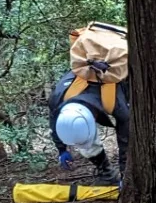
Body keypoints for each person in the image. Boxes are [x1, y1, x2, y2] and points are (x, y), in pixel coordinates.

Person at [49, 22, 129, 179]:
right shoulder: (59, 97)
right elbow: (54, 121)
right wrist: (62, 150)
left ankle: (119, 175)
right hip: (85, 79)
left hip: (115, 76)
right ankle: (105, 170)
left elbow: (126, 140)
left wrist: (126, 175)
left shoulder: (116, 103)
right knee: (85, 143)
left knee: (127, 130)